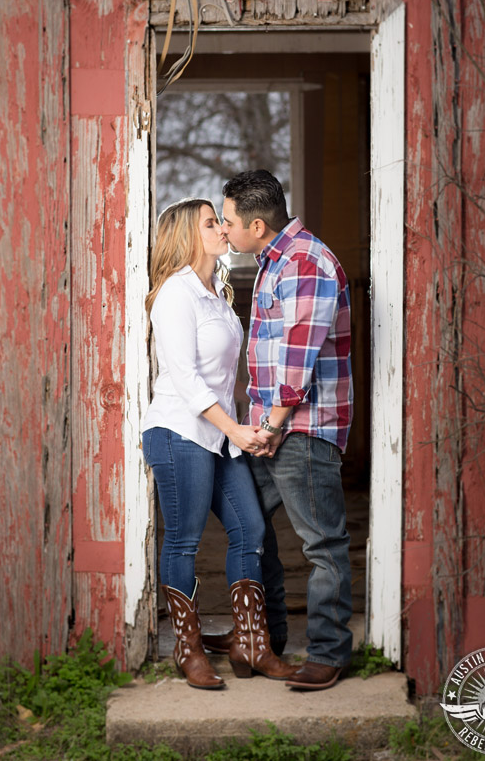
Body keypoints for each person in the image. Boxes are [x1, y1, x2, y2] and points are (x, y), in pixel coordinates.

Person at [141, 198, 298, 690]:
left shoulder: (218, 292)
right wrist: (234, 430)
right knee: (184, 539)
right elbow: (186, 378)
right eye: (212, 223)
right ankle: (188, 651)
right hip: (178, 431)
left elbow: (229, 373)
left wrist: (239, 426)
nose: (223, 229)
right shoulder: (174, 294)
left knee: (249, 529)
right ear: (189, 234)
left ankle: (251, 643)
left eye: (221, 221)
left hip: (219, 434)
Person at [219, 170, 354, 691]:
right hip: (270, 428)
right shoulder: (274, 262)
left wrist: (272, 426)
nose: (224, 230)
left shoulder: (305, 263)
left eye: (228, 221)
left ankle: (327, 652)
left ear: (257, 224)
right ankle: (261, 639)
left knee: (322, 544)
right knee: (249, 531)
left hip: (302, 430)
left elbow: (296, 365)